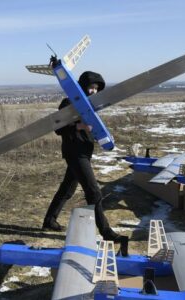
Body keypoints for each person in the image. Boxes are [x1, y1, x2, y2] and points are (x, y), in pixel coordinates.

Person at [43, 71, 128, 245]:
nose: (93, 91)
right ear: (82, 86)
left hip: (84, 153)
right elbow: (58, 129)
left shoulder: (91, 106)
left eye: (96, 89)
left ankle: (49, 221)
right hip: (75, 153)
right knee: (94, 192)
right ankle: (106, 232)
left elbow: (93, 127)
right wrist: (78, 126)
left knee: (67, 189)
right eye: (91, 87)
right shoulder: (68, 103)